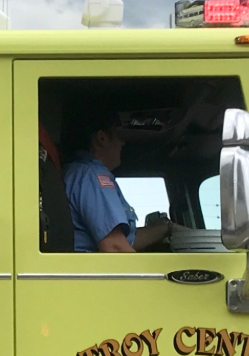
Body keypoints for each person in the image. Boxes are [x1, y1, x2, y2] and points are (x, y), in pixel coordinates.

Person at [62, 108, 173, 253]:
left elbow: (124, 241)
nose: (123, 143)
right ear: (102, 138)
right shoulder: (92, 176)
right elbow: (114, 246)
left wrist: (166, 228)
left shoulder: (79, 172)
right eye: (118, 134)